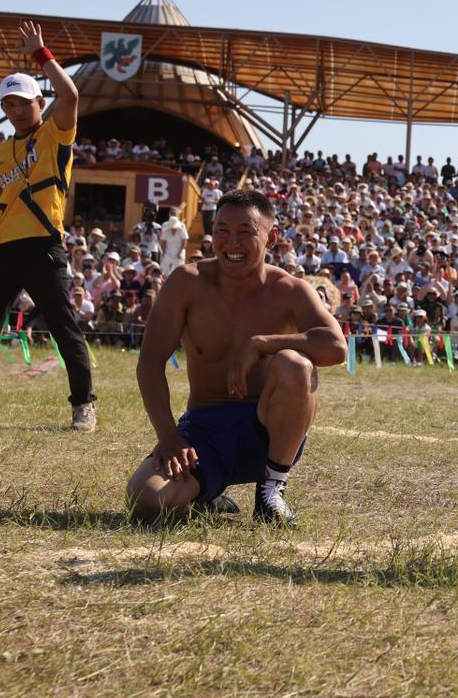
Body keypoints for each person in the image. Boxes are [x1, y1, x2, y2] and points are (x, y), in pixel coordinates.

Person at [125, 188, 347, 523]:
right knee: (146, 500)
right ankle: (207, 494)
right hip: (204, 433)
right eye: (222, 232)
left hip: (266, 432)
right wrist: (169, 438)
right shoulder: (187, 282)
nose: (232, 244)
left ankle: (271, 489)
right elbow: (150, 363)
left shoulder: (290, 289)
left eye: (245, 233)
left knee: (295, 364)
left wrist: (262, 343)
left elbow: (336, 347)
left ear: (271, 238)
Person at [0, 22, 96, 430]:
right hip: (1, 249)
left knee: (63, 325)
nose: (15, 110)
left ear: (38, 101)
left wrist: (42, 55)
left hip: (43, 243)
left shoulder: (54, 134)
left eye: (22, 102)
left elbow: (72, 94)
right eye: (8, 105)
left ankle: (84, 404)